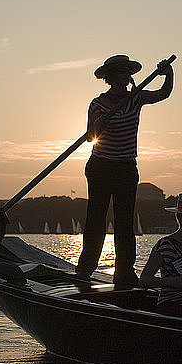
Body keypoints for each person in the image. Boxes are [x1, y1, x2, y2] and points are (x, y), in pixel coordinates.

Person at [75, 54, 174, 286]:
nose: (126, 76)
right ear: (111, 77)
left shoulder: (136, 98)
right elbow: (90, 137)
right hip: (100, 167)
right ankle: (85, 268)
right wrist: (100, 124)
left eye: (127, 73)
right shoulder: (97, 104)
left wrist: (168, 74)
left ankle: (125, 273)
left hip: (126, 168)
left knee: (124, 222)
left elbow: (163, 93)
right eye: (121, 72)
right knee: (96, 220)